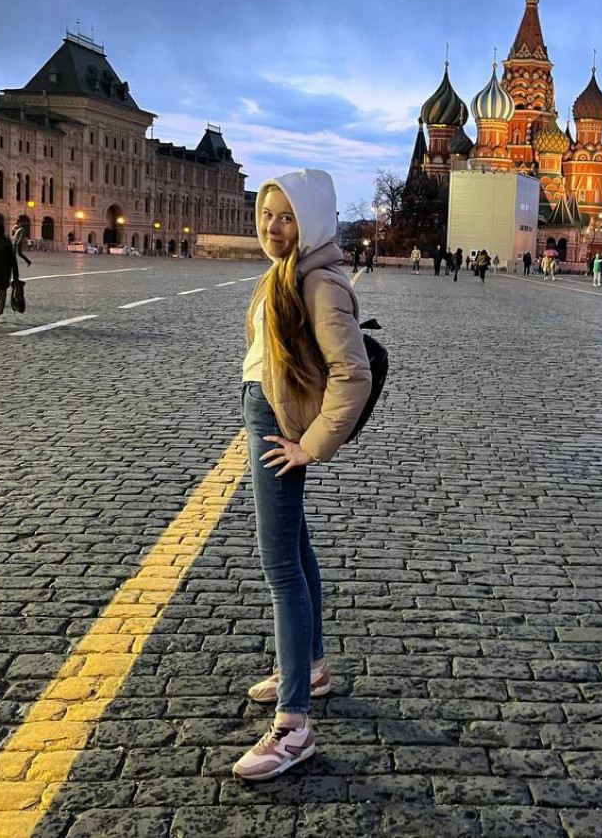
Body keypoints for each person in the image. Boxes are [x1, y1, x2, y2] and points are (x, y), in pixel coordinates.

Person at [234, 169, 371, 783]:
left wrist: (309, 446)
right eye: (266, 214)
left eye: (286, 217)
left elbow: (354, 374)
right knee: (296, 547)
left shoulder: (317, 282)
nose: (272, 227)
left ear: (311, 222)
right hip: (269, 410)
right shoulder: (285, 273)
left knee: (279, 566)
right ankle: (311, 669)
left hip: (279, 427)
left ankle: (293, 725)